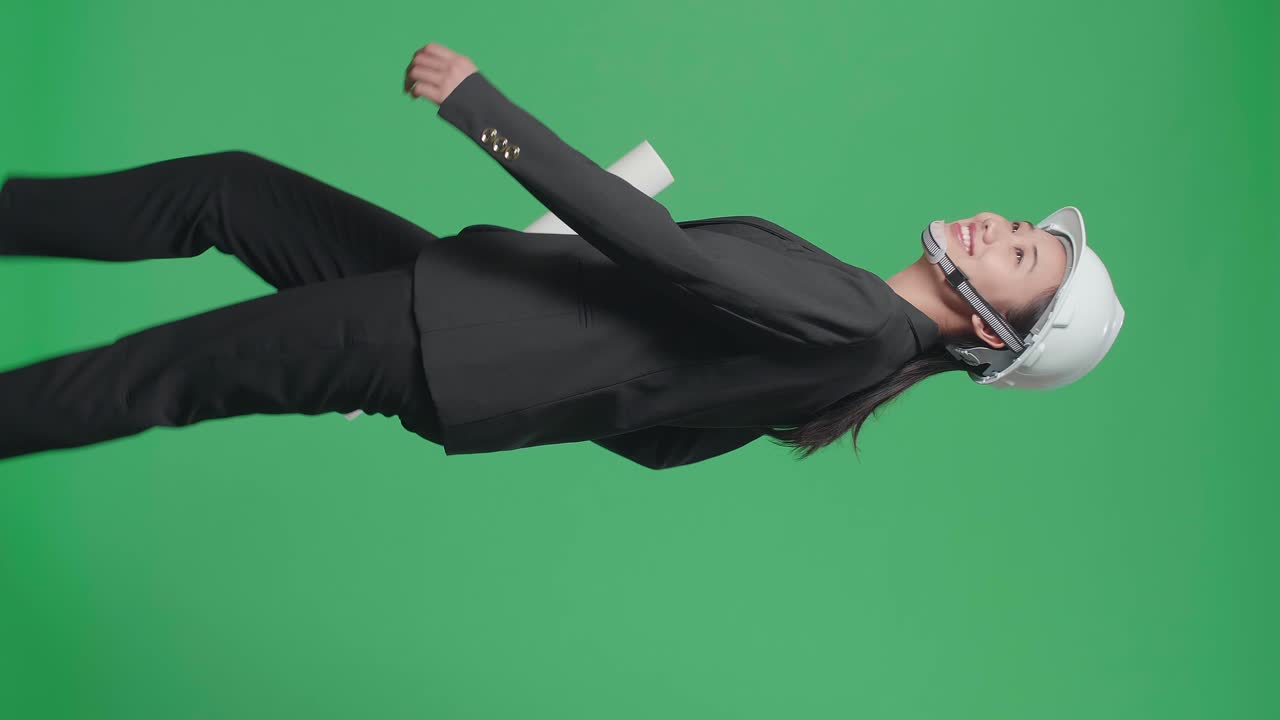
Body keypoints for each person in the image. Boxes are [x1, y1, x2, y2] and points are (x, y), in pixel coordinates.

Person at [0, 43, 1124, 467]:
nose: (995, 227)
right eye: (1019, 227)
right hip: (459, 301)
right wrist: (528, 371)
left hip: (434, 333)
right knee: (229, 190)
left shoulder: (852, 323)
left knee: (149, 377)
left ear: (990, 330)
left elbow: (654, 252)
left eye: (1017, 256)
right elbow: (663, 441)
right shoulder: (843, 336)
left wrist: (480, 108)